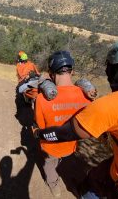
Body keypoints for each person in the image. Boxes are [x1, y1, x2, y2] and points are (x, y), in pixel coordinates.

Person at [33, 39, 118, 198]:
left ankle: (56, 186)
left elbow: (63, 132)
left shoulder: (110, 104)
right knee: (98, 173)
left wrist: (38, 134)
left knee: (63, 173)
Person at [34, 50, 92, 197]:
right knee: (69, 164)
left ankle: (54, 187)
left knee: (49, 166)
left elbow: (40, 128)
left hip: (50, 147)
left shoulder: (41, 99)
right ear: (72, 72)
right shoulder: (86, 96)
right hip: (71, 146)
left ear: (51, 73)